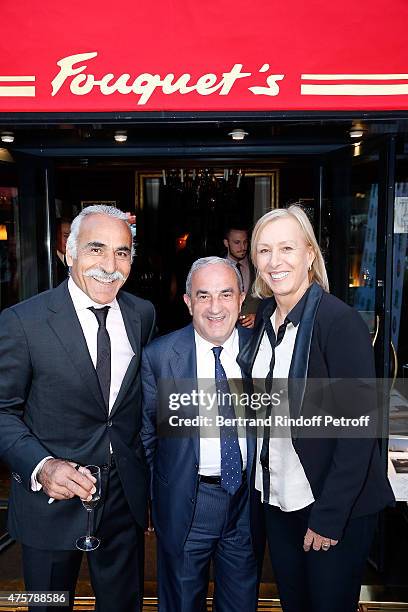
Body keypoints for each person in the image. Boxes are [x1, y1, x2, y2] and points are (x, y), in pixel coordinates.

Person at [237, 205, 395, 612]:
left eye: (286, 248)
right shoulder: (264, 318)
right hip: (278, 499)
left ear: (309, 254)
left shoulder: (338, 322)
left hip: (329, 503)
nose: (275, 261)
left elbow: (359, 429)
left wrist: (329, 515)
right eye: (264, 250)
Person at [0, 205, 156, 612]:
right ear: (68, 254)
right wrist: (42, 467)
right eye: (96, 249)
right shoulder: (23, 322)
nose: (110, 265)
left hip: (122, 505)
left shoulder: (142, 314)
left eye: (122, 252)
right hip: (48, 507)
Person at [141, 257, 263, 612]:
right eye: (203, 295)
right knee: (180, 603)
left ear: (241, 298)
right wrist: (156, 503)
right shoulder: (160, 357)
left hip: (245, 502)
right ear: (188, 301)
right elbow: (148, 438)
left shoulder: (262, 351)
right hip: (187, 503)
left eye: (226, 294)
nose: (214, 307)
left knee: (241, 604)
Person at [223, 226, 259, 328]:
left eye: (245, 242)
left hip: (253, 330)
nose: (243, 247)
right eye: (237, 242)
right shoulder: (218, 268)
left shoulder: (258, 266)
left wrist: (259, 316)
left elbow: (270, 297)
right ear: (226, 243)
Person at [55, 217, 71, 285]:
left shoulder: (73, 257)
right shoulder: (46, 262)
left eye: (72, 237)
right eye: (66, 236)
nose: (69, 241)